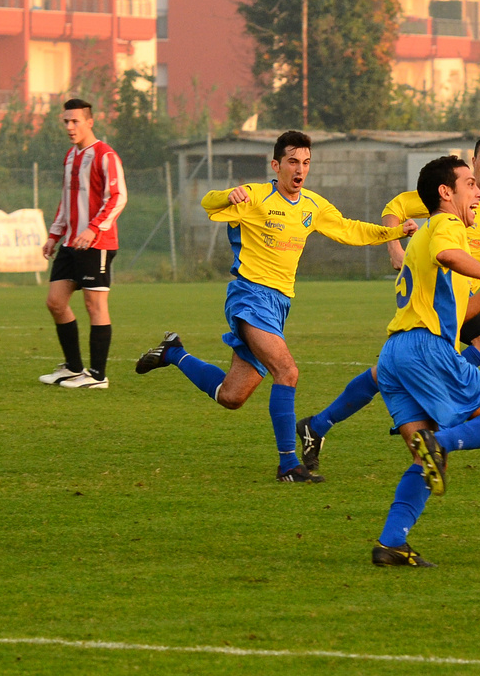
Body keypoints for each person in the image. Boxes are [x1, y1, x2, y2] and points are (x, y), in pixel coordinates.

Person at [134, 130, 413, 482]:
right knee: (288, 372)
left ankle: (173, 352)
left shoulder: (313, 206)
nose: (300, 170)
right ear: (276, 165)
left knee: (231, 396)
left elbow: (350, 230)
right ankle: (289, 466)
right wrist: (227, 194)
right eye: (293, 162)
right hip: (249, 296)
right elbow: (208, 203)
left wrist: (396, 232)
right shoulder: (254, 196)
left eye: (306, 163)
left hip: (278, 304)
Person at [294, 133, 480, 474]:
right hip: (435, 298)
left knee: (422, 452)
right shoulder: (447, 203)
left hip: (448, 305)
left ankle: (320, 424)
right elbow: (402, 215)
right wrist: (396, 249)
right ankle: (439, 396)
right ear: (473, 163)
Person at [371, 155, 480, 567]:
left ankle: (391, 542)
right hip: (426, 351)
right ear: (446, 193)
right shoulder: (444, 225)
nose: (478, 193)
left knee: (426, 461)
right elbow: (449, 256)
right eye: (468, 184)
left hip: (394, 355)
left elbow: (459, 314)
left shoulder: (427, 235)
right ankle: (438, 440)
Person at [39, 98, 127, 390]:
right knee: (55, 302)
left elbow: (117, 198)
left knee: (95, 304)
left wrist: (92, 229)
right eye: (65, 121)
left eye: (75, 121)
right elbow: (66, 202)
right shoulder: (70, 157)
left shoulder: (105, 155)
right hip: (71, 242)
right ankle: (74, 368)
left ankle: (98, 376)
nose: (69, 126)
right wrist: (54, 235)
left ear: (90, 122)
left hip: (97, 242)